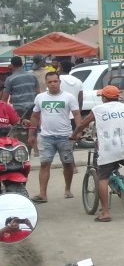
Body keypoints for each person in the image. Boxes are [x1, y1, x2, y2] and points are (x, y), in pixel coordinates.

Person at [71, 85, 124, 222]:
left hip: (109, 150)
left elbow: (81, 125)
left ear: (103, 97)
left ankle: (105, 213)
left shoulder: (98, 109)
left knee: (102, 178)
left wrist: (74, 135)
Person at [28, 72, 82, 203]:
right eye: (50, 82)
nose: (53, 84)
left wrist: (78, 131)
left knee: (67, 163)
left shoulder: (69, 97)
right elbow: (35, 116)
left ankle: (67, 189)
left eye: (55, 81)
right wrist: (31, 134)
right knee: (44, 164)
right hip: (46, 137)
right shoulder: (40, 97)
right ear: (46, 83)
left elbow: (76, 114)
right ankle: (42, 193)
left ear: (59, 82)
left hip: (65, 136)